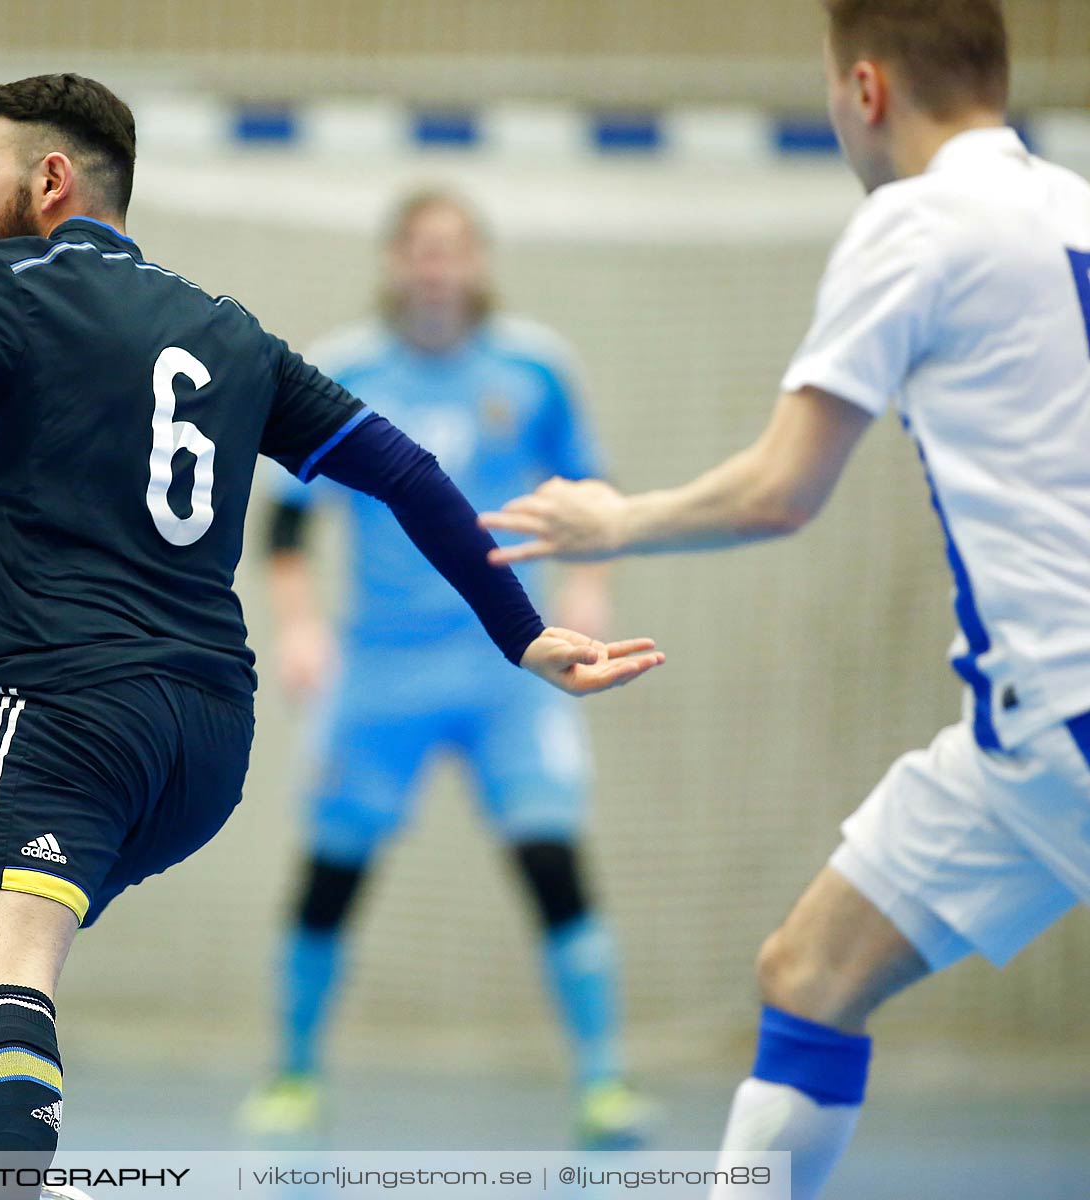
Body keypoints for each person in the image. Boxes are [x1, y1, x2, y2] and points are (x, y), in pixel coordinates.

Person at [0, 74, 663, 1200]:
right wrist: (524, 636)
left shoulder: (6, 287)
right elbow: (409, 475)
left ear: (50, 180)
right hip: (201, 744)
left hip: (55, 707)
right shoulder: (229, 330)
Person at [479, 4, 1090, 1197]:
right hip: (1022, 742)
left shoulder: (916, 221)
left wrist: (616, 521)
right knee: (810, 972)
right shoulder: (1076, 203)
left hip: (1065, 709)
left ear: (864, 89)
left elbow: (780, 491)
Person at [239, 191, 651, 1148]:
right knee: (332, 869)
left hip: (510, 665)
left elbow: (593, 495)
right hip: (380, 670)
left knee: (551, 857)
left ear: (476, 261)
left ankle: (605, 1081)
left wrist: (591, 592)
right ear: (394, 261)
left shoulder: (534, 368)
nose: (435, 268)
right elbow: (286, 526)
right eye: (419, 250)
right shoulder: (343, 371)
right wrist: (299, 629)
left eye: (452, 250)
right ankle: (293, 1073)